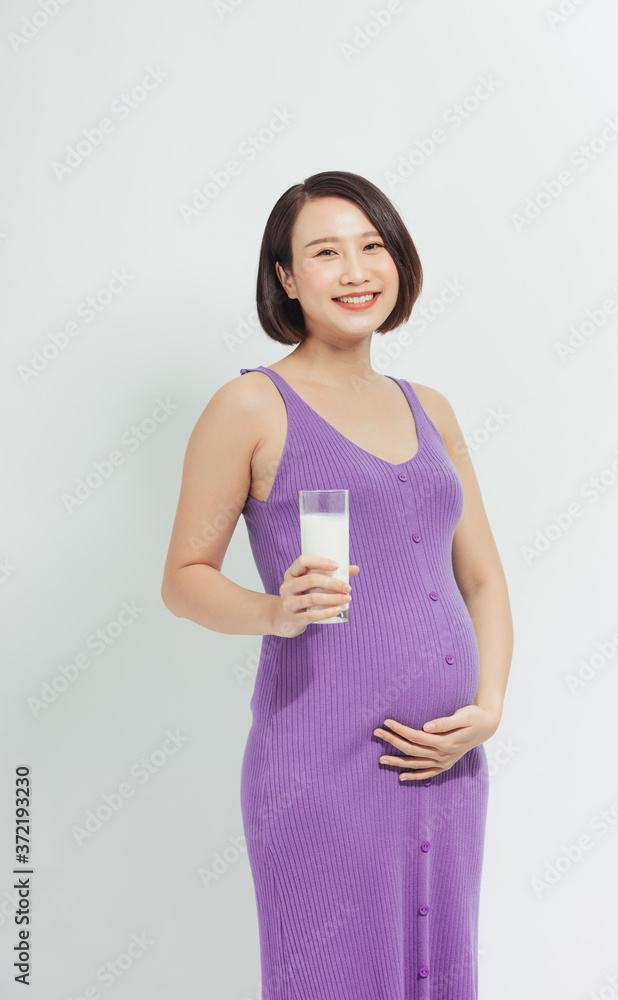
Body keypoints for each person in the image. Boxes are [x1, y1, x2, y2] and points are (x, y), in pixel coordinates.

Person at [161, 170, 513, 999]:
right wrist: (273, 610)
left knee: (440, 972)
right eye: (324, 252)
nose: (355, 270)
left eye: (372, 246)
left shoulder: (430, 407)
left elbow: (483, 580)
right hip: (319, 763)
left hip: (448, 760)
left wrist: (486, 711)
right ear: (286, 278)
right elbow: (183, 579)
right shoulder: (250, 405)